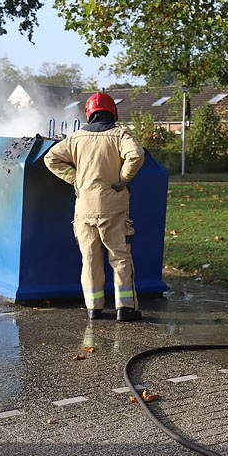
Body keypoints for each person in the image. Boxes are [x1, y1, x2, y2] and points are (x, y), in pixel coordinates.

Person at [44, 92, 145, 322]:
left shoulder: (76, 138)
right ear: (113, 113)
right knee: (120, 258)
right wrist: (122, 179)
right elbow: (136, 155)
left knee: (89, 259)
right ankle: (125, 308)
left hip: (85, 210)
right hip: (114, 208)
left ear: (89, 114)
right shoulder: (119, 136)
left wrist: (74, 179)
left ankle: (94, 308)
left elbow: (50, 158)